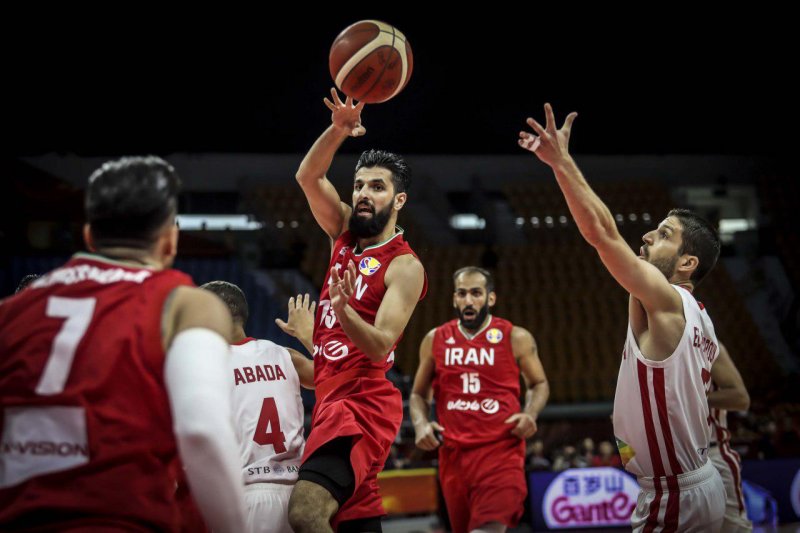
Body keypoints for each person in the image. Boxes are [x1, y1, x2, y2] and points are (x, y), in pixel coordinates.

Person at [0, 156, 246, 532]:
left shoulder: (11, 311)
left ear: (88, 236)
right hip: (122, 519)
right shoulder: (185, 303)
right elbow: (202, 431)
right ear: (169, 239)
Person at [520, 104, 725, 531]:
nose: (648, 235)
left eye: (664, 234)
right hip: (695, 484)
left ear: (688, 263)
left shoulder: (668, 302)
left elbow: (602, 233)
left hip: (674, 493)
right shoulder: (700, 318)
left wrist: (561, 163)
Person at [287, 89, 427, 533]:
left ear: (398, 200)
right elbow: (308, 176)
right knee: (351, 522)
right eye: (360, 185)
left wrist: (344, 314)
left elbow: (381, 344)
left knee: (306, 513)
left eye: (378, 186)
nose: (365, 193)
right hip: (332, 397)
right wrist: (338, 129)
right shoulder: (343, 232)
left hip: (363, 404)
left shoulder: (405, 266)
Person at [410, 266, 549, 533]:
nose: (469, 300)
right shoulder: (434, 339)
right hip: (453, 457)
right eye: (462, 294)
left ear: (491, 298)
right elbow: (418, 394)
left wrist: (530, 413)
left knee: (487, 528)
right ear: (454, 299)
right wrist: (420, 424)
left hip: (501, 452)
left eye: (476, 293)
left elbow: (539, 383)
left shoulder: (515, 337)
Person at [199, 282, 315, 533]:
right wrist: (309, 337)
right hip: (301, 497)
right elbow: (340, 379)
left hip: (245, 494)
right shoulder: (285, 354)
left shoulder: (204, 365)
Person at [708, 342, 752, 532]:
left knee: (733, 529)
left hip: (711, 455)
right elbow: (620, 420)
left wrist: (687, 398)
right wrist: (628, 454)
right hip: (667, 461)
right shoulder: (639, 352)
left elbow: (741, 399)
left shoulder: (706, 343)